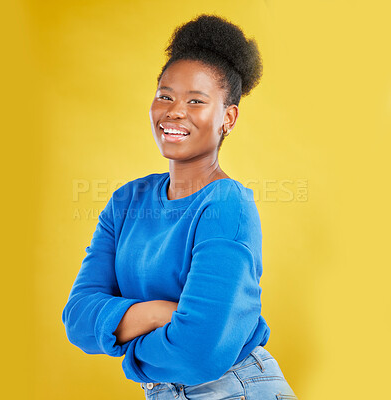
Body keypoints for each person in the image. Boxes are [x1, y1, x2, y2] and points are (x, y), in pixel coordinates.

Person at [62, 13, 298, 400]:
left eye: (196, 101)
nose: (174, 111)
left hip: (234, 389)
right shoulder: (126, 202)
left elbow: (198, 352)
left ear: (228, 118)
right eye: (165, 95)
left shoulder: (226, 205)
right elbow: (77, 319)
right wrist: (159, 312)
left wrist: (124, 344)